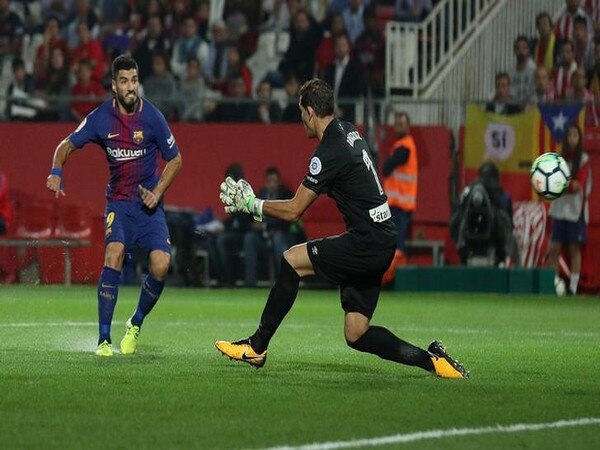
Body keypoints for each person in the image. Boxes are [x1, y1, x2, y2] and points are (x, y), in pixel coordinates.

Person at [215, 79, 468, 378]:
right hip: (382, 236)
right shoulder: (348, 130)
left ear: (310, 112)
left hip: (368, 241)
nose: (301, 122)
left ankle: (257, 347)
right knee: (356, 333)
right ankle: (433, 362)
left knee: (292, 261)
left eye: (301, 114)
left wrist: (252, 205)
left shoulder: (328, 151)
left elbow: (295, 209)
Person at [45, 55, 183, 357]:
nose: (131, 87)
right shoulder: (100, 118)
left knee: (161, 264)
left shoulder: (153, 117)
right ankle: (104, 340)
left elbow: (176, 159)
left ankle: (135, 323)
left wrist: (158, 192)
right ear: (114, 86)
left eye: (134, 80)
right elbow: (65, 146)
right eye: (124, 81)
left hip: (148, 206)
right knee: (114, 254)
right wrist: (57, 171)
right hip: (119, 204)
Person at [547, 124, 592, 295]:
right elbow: (552, 183)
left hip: (575, 211)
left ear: (579, 138)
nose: (572, 139)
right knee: (554, 248)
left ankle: (573, 288)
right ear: (565, 138)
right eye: (569, 135)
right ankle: (554, 284)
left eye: (575, 135)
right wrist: (566, 185)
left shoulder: (584, 160)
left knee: (574, 248)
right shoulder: (558, 158)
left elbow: (579, 185)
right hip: (559, 209)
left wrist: (564, 185)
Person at [381, 112, 417, 284]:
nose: (398, 127)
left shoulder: (405, 146)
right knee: (396, 242)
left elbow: (387, 168)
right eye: (397, 124)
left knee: (397, 243)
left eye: (401, 124)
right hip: (399, 205)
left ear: (408, 126)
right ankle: (393, 276)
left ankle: (392, 277)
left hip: (399, 205)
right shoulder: (402, 145)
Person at [243, 167, 294, 287]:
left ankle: (285, 281)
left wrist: (268, 226)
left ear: (278, 182)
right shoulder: (260, 195)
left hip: (281, 236)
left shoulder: (286, 195)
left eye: (274, 181)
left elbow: (288, 220)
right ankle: (250, 282)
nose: (271, 184)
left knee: (278, 238)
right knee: (249, 238)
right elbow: (252, 217)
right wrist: (255, 225)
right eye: (269, 181)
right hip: (262, 238)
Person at [509, 36, 536, 106]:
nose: (521, 51)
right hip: (513, 107)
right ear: (514, 50)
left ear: (528, 50)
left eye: (524, 48)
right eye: (518, 48)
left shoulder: (534, 71)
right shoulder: (510, 72)